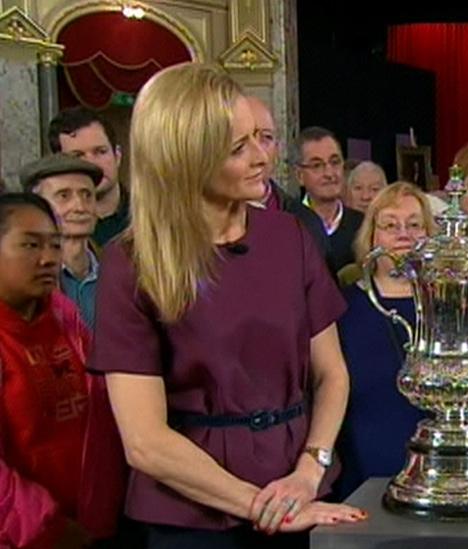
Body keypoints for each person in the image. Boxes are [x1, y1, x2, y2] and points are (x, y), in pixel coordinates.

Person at [89, 63, 365, 548]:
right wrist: (262, 506)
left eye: (261, 139)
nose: (263, 158)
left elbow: (332, 374)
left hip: (303, 494)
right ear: (186, 159)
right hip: (190, 519)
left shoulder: (290, 238)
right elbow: (145, 441)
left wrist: (308, 469)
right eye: (239, 148)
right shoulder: (131, 262)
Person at [0, 193, 93, 548]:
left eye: (55, 245)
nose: (48, 258)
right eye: (30, 245)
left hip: (92, 518)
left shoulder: (64, 316)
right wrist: (49, 528)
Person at [332, 182, 436, 499]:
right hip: (362, 471)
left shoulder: (450, 306)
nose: (403, 234)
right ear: (372, 237)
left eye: (415, 225)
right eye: (390, 225)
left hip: (437, 473)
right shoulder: (343, 307)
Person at [244, 96, 332, 266]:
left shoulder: (305, 224)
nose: (259, 153)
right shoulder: (197, 221)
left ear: (277, 149)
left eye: (266, 138)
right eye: (243, 141)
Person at [20, 153, 103, 328]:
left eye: (87, 195)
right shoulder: (22, 281)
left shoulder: (116, 270)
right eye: (64, 196)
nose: (80, 207)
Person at [48, 107, 128, 247]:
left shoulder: (151, 216)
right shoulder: (46, 228)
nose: (93, 165)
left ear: (117, 156)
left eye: (100, 152)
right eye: (78, 156)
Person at [295, 127, 365, 276]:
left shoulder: (364, 226)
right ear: (299, 175)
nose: (329, 173)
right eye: (317, 165)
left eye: (335, 162)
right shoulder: (288, 224)